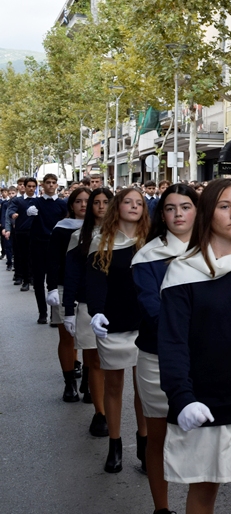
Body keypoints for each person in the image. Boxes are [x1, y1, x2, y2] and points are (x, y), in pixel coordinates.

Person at [159, 178, 231, 514]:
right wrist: (181, 397)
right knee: (204, 487)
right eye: (225, 206)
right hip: (203, 400)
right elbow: (173, 343)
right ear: (208, 211)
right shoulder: (182, 272)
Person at [132, 184, 198, 514]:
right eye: (170, 208)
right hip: (157, 358)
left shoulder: (215, 252)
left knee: (205, 441)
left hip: (206, 361)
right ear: (162, 214)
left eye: (185, 207)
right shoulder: (147, 256)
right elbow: (154, 311)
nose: (178, 215)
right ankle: (162, 508)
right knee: (157, 436)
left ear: (197, 211)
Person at [86, 187, 151, 474]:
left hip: (146, 325)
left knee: (144, 390)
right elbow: (96, 282)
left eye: (139, 203)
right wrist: (96, 311)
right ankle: (114, 444)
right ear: (118, 207)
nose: (134, 206)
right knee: (114, 387)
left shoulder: (152, 242)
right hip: (113, 324)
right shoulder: (102, 241)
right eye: (128, 201)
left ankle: (144, 444)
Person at [64, 187, 113, 436]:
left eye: (107, 202)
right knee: (94, 361)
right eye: (97, 202)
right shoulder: (78, 237)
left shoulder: (125, 236)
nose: (101, 207)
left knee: (111, 365)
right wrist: (68, 309)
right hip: (87, 305)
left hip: (117, 307)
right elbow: (72, 275)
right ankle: (100, 413)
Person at [46, 186, 90, 401]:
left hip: (91, 289)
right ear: (71, 205)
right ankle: (69, 382)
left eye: (87, 201)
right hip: (65, 288)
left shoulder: (102, 228)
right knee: (67, 337)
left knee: (91, 341)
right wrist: (52, 287)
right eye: (78, 201)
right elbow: (53, 261)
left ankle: (89, 382)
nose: (83, 204)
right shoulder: (61, 228)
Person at [28, 173, 67, 325]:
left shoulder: (63, 204)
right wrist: (28, 213)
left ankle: (54, 315)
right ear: (42, 185)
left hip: (57, 247)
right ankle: (42, 312)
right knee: (38, 281)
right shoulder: (35, 203)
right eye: (48, 182)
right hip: (38, 245)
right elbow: (26, 220)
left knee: (55, 282)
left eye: (53, 182)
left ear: (57, 185)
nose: (51, 185)